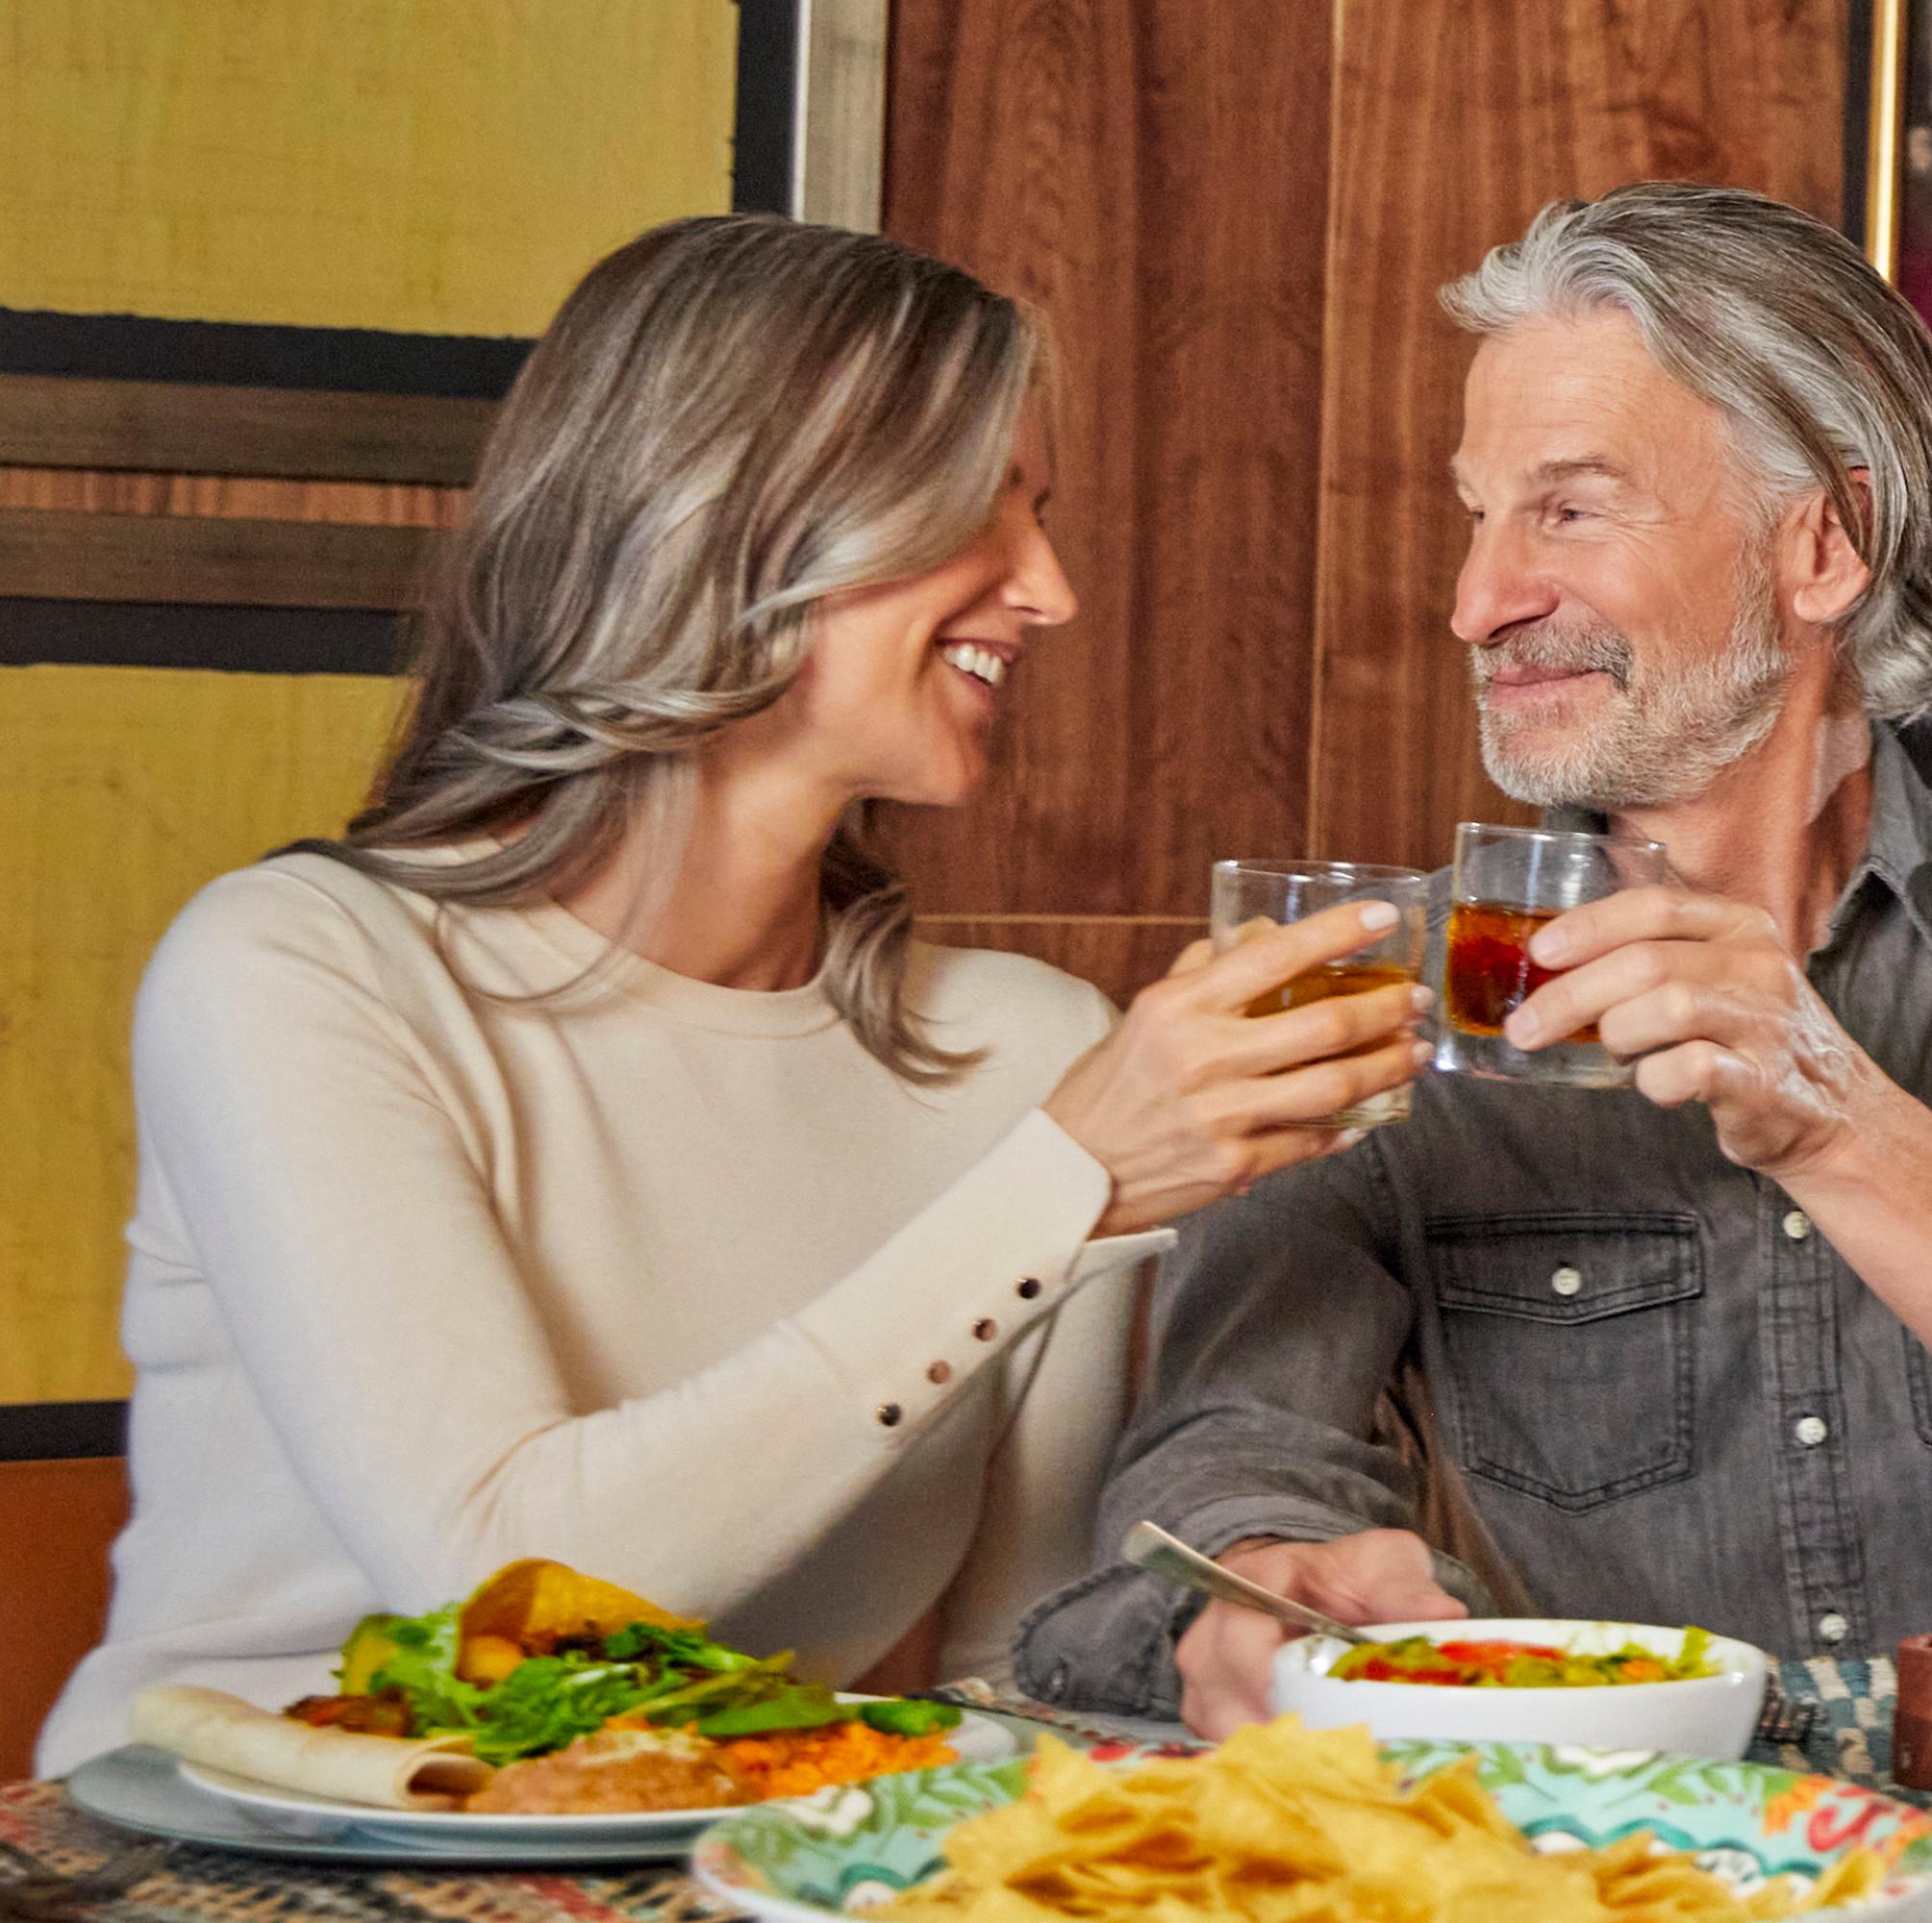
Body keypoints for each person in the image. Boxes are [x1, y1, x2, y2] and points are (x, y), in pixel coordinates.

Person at [37, 215, 1425, 1774]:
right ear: (734, 520)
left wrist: (1241, 1628)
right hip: (232, 1848)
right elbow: (496, 1586)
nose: (1052, 592)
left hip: (728, 1863)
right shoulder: (300, 974)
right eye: (986, 507)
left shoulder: (1026, 1052)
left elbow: (1004, 1684)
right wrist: (1066, 1186)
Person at [1015, 183, 1932, 1736]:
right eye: (1480, 515)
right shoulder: (1381, 994)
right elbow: (1228, 1456)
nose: (1479, 601)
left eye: (1572, 510)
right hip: (1623, 1862)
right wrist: (1274, 1579)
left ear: (1822, 546)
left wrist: (1839, 1118)